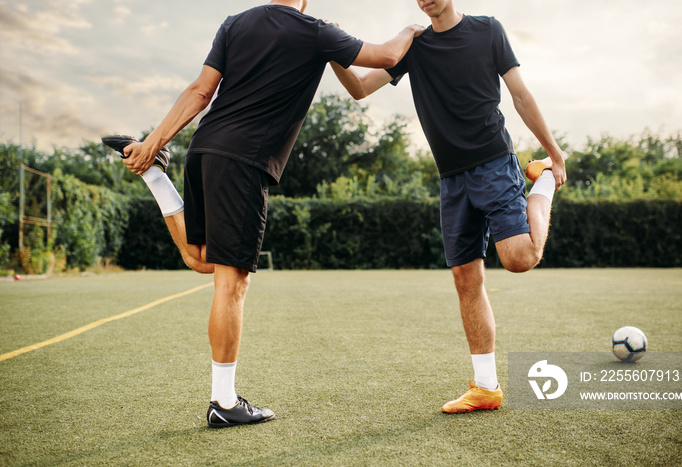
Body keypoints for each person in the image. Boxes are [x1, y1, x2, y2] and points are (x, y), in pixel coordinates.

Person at [110, 0, 424, 427]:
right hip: (243, 161)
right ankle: (223, 403)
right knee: (232, 282)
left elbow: (200, 92)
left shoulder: (236, 23)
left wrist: (153, 142)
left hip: (204, 151)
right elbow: (387, 56)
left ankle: (156, 179)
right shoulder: (313, 29)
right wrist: (410, 28)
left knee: (200, 260)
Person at [331, 0, 567, 414]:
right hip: (451, 179)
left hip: (495, 163)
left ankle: (542, 180)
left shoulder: (488, 30)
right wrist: (332, 49)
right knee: (465, 279)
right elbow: (358, 89)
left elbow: (520, 95)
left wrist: (554, 153)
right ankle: (486, 388)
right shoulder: (413, 49)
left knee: (519, 258)